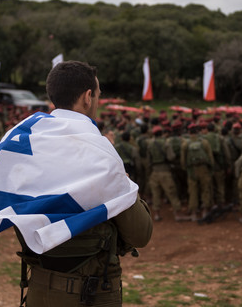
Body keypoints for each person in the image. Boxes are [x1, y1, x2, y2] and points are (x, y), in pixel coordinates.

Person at [20, 61, 153, 306]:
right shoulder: (100, 154)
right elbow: (140, 233)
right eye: (99, 95)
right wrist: (116, 170)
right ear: (88, 97)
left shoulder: (23, 146)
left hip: (40, 290)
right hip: (91, 296)